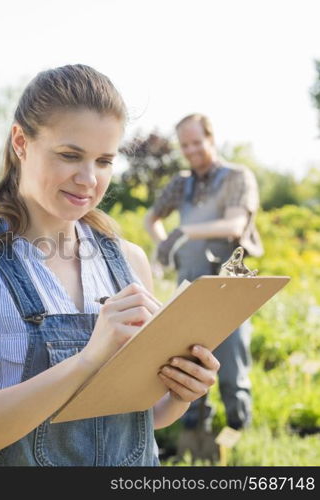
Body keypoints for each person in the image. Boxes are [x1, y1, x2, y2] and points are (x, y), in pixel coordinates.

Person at [0, 65, 220, 466]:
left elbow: (138, 420)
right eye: (70, 155)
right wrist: (87, 360)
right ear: (21, 142)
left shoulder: (129, 262)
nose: (88, 179)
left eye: (104, 161)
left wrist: (181, 393)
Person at [144, 113, 263, 456]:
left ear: (212, 139)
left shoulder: (238, 177)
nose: (191, 150)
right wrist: (164, 243)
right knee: (188, 370)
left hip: (230, 292)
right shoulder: (181, 183)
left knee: (230, 373)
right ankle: (196, 448)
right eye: (184, 145)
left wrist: (184, 232)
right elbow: (151, 218)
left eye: (197, 142)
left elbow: (235, 223)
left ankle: (239, 446)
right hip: (190, 291)